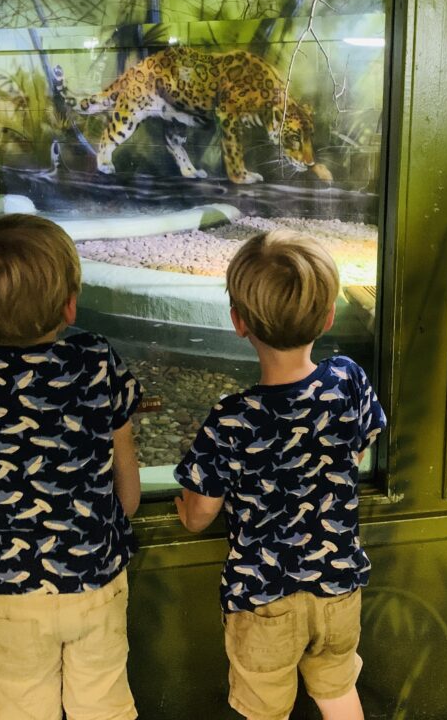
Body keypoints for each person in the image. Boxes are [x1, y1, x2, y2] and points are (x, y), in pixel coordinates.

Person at [174, 229, 386, 720]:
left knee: (262, 708)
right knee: (337, 691)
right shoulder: (347, 379)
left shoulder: (231, 417)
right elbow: (360, 445)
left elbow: (199, 516)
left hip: (263, 597)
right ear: (330, 315)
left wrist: (186, 507)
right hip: (338, 586)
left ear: (238, 323)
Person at [0, 213, 142, 720]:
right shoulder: (96, 358)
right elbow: (125, 464)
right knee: (103, 705)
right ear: (71, 305)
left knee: (21, 710)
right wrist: (120, 515)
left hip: (10, 586)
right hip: (94, 574)